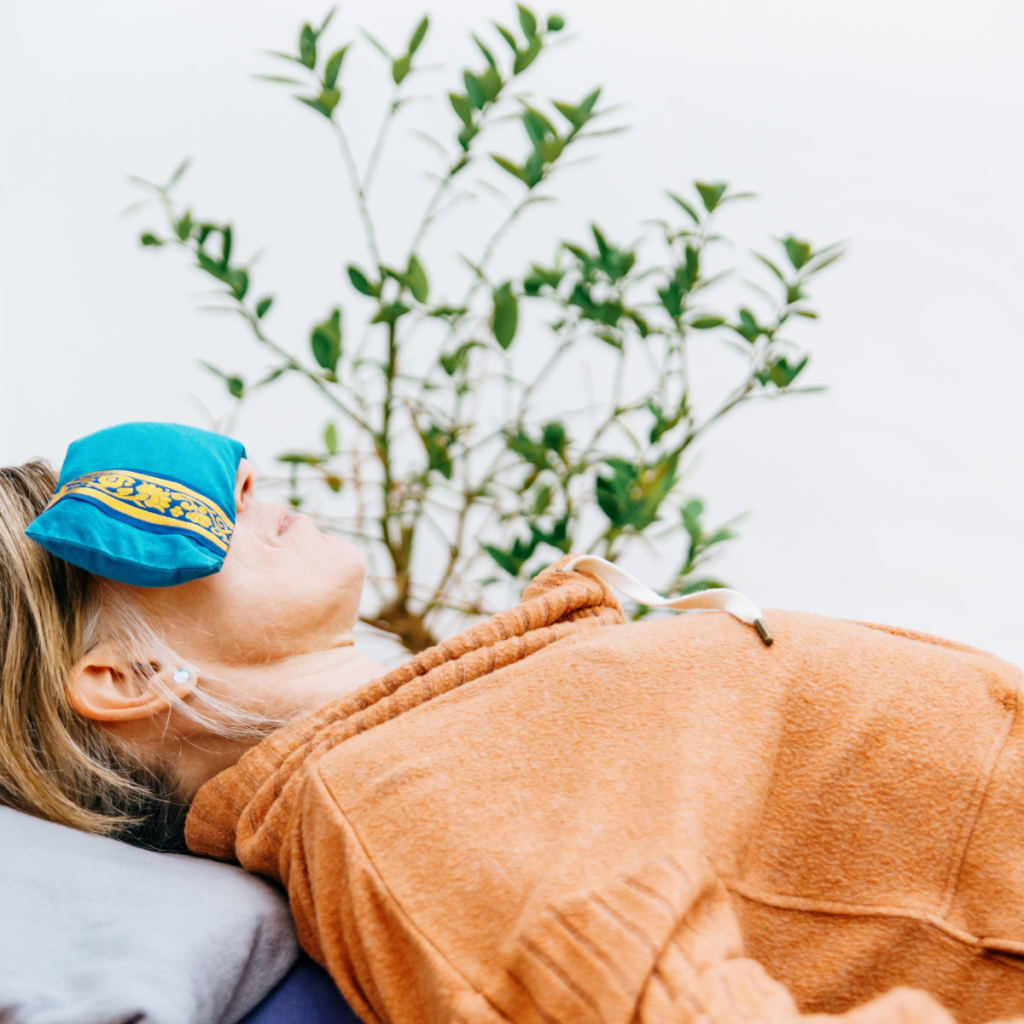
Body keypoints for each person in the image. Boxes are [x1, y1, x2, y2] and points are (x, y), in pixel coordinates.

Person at [3, 427, 1024, 1024]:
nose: (238, 482)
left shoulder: (451, 723)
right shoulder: (403, 805)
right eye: (143, 512)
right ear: (123, 676)